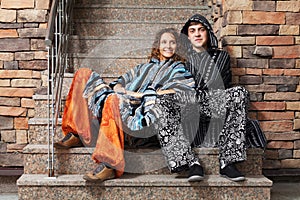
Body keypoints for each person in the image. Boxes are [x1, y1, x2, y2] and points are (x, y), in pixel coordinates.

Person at [54, 28, 204, 182]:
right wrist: (122, 91)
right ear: (157, 45)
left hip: (140, 120)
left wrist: (140, 96)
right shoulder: (143, 68)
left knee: (113, 100)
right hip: (118, 106)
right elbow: (119, 83)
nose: (168, 46)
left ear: (177, 46)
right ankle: (76, 134)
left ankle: (109, 165)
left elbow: (182, 91)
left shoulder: (178, 69)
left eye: (172, 42)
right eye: (164, 42)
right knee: (83, 73)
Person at [180, 14, 249, 182]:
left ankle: (228, 162)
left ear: (208, 33)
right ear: (187, 36)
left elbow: (214, 84)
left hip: (215, 104)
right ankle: (190, 162)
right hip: (189, 111)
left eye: (201, 30)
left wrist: (194, 88)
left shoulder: (221, 56)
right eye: (192, 31)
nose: (197, 34)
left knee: (239, 92)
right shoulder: (181, 60)